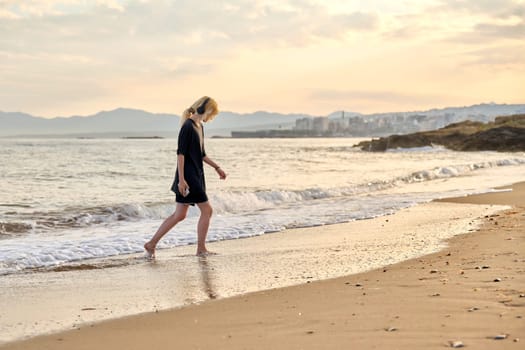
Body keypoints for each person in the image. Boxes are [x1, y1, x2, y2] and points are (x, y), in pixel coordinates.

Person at [144, 96, 226, 258]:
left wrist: (217, 168)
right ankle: (201, 249)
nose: (212, 118)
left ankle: (151, 244)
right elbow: (180, 154)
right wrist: (182, 180)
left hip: (197, 174)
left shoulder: (199, 126)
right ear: (207, 110)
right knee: (207, 210)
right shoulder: (188, 126)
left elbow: (201, 154)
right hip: (188, 177)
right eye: (213, 114)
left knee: (179, 215)